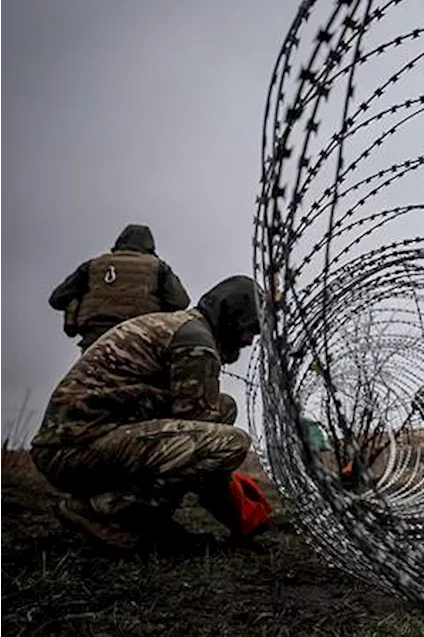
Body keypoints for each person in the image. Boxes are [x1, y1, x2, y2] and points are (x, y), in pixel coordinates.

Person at [29, 275, 267, 550]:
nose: (249, 340)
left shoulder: (182, 326)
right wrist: (239, 511)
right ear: (230, 316)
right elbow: (199, 440)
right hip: (74, 450)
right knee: (232, 442)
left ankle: (141, 518)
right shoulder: (196, 342)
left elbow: (193, 425)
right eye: (249, 328)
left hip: (79, 442)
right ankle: (104, 512)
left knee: (223, 408)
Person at [49, 224, 190, 352]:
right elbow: (180, 302)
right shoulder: (157, 267)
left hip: (95, 340)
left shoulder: (93, 266)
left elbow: (58, 298)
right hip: (139, 338)